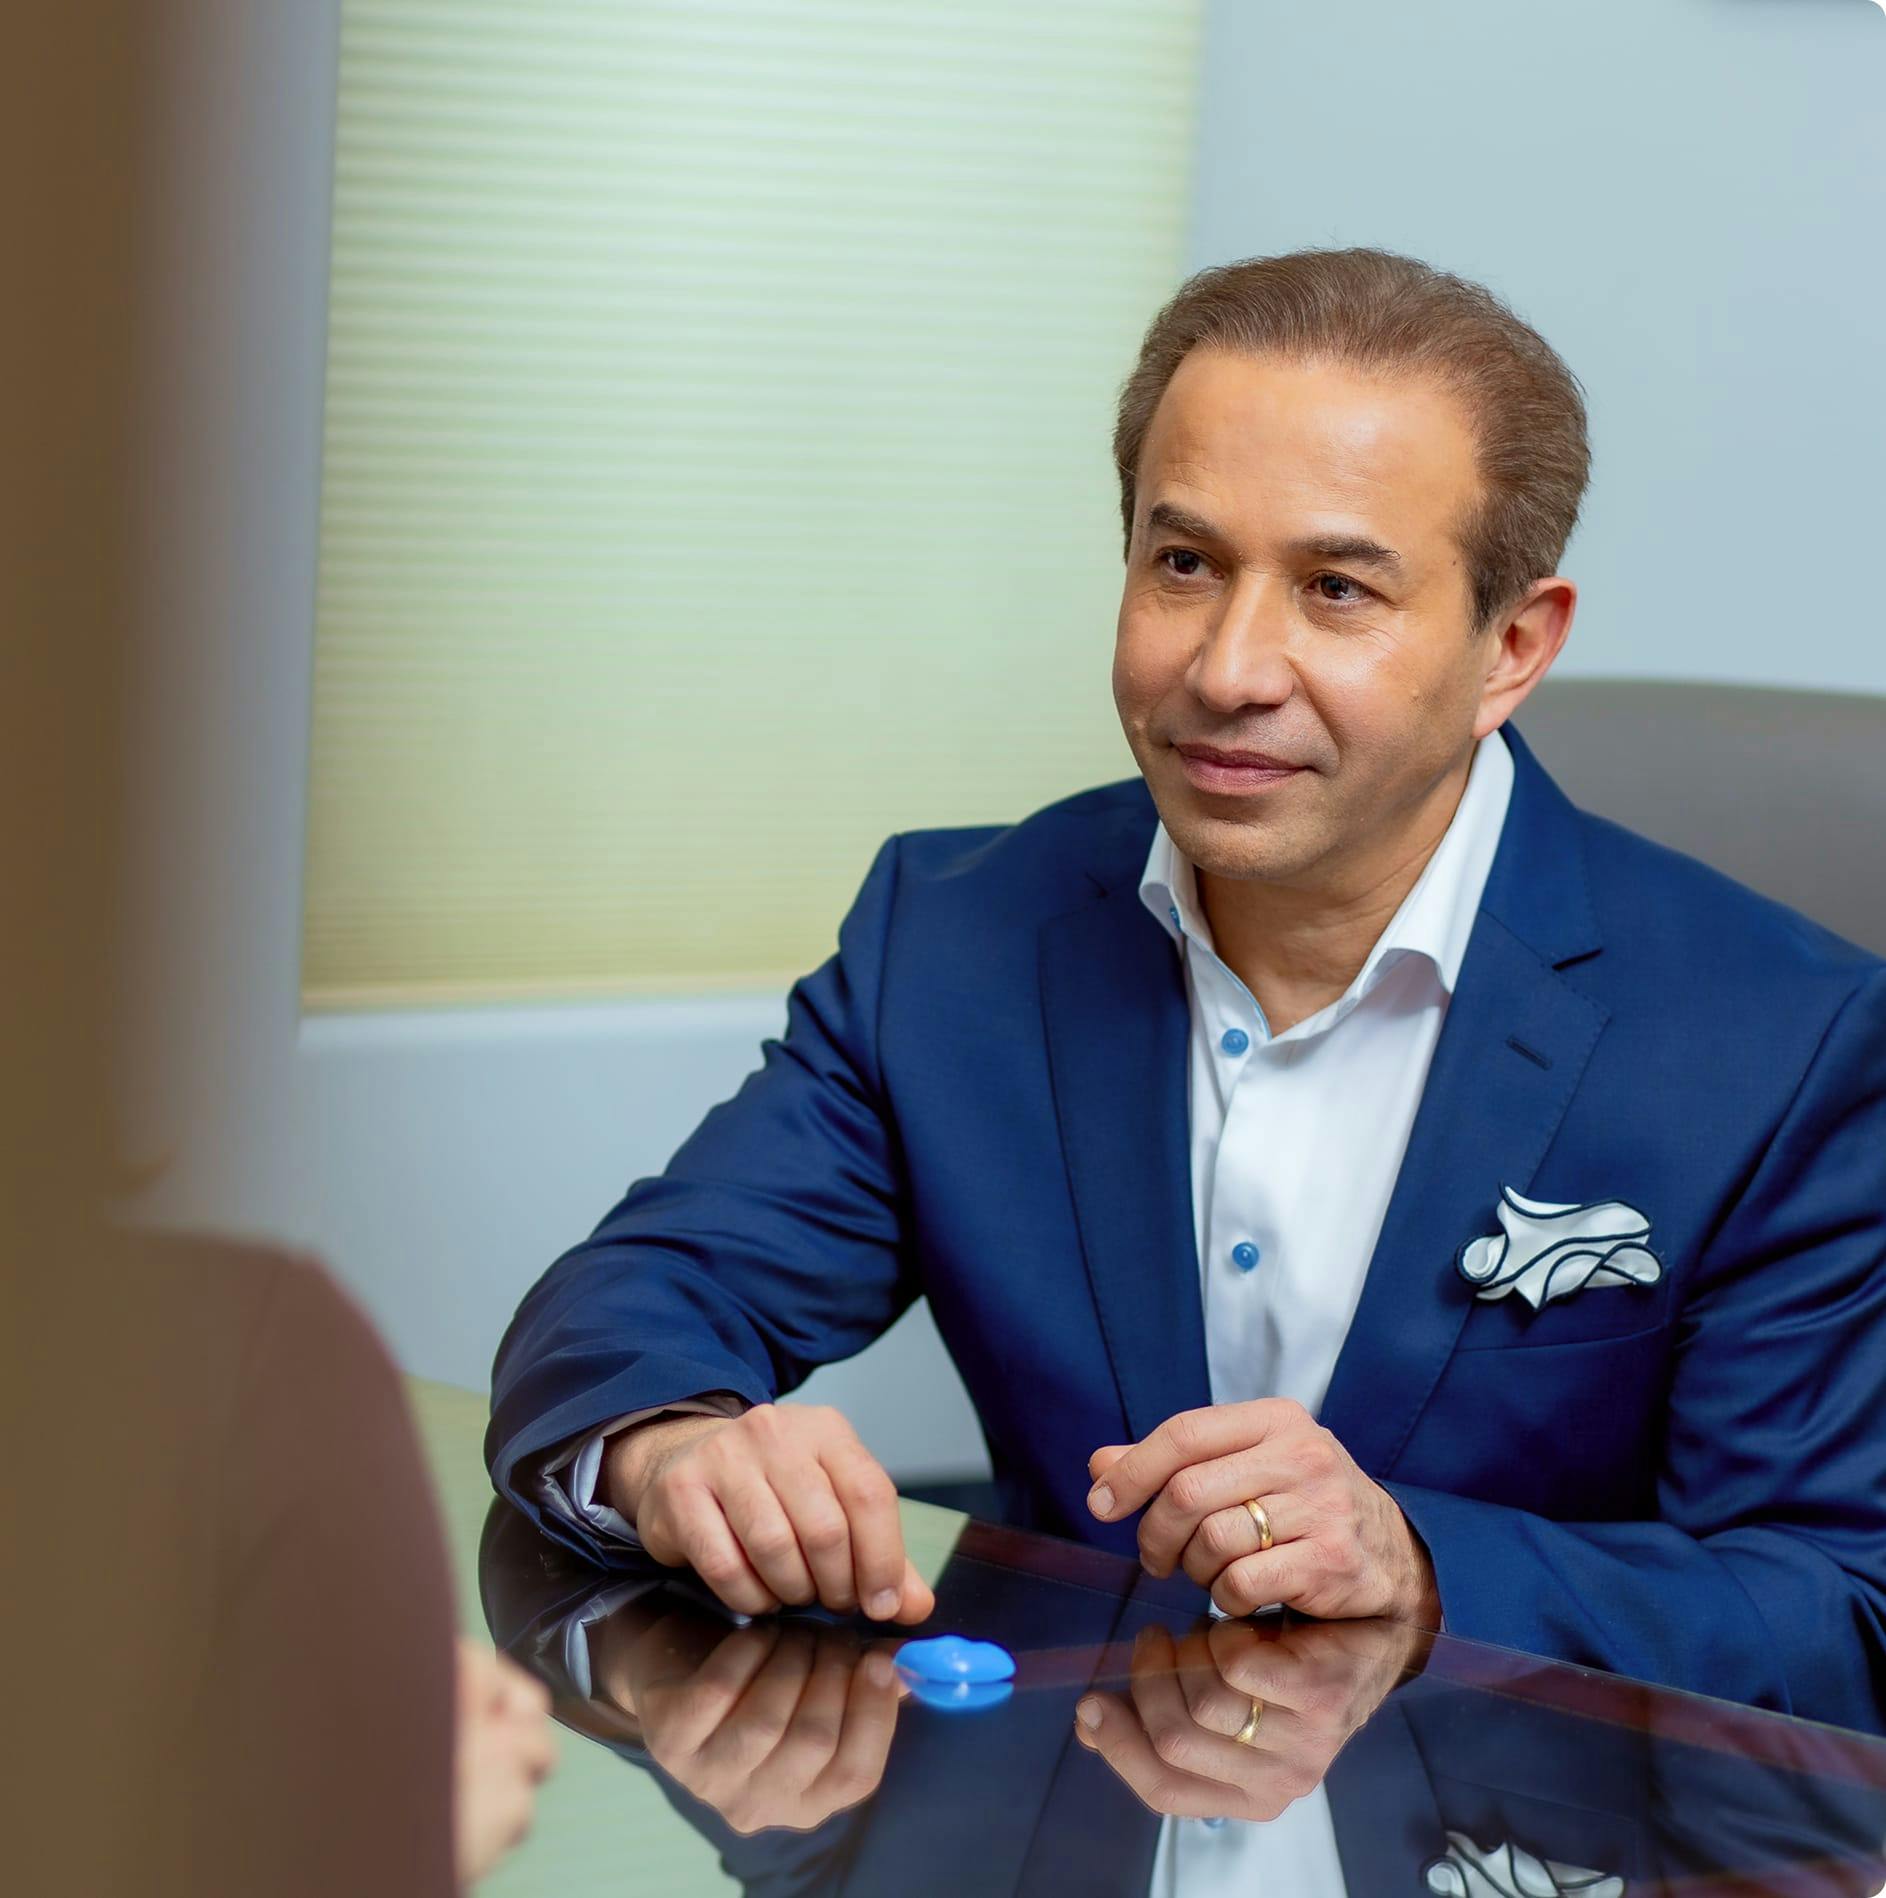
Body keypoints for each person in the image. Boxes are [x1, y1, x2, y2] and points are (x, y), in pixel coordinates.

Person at [486, 246, 1886, 1731]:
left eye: (1335, 588)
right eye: (1183, 563)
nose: (1226, 667)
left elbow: (1837, 1608)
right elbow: (633, 1298)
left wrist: (1418, 1566)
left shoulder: (1780, 1044)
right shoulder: (954, 939)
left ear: (1511, 648)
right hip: (1061, 1807)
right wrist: (668, 1445)